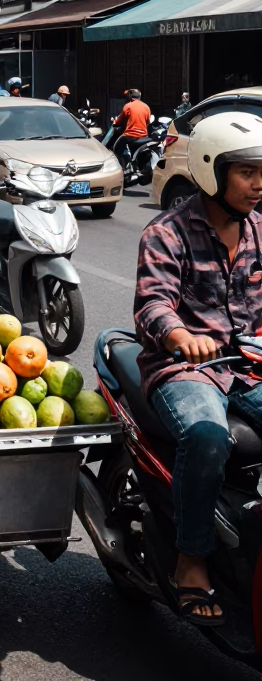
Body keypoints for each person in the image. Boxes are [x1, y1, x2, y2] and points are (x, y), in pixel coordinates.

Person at [134, 111, 262, 625]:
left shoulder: (259, 229)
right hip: (184, 369)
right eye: (248, 172)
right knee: (209, 435)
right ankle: (192, 559)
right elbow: (152, 305)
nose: (259, 185)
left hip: (250, 365)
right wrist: (181, 335)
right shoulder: (167, 233)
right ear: (213, 170)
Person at [114, 87, 151, 167]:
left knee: (116, 150)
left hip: (129, 135)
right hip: (143, 137)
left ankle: (121, 168)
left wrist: (115, 122)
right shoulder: (146, 107)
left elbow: (120, 121)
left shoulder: (128, 106)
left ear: (130, 97)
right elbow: (148, 122)